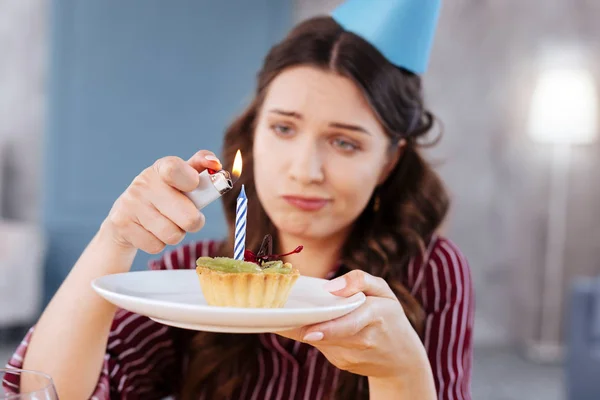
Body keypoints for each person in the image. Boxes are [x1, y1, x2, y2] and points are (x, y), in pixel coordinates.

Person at [5, 0, 474, 399]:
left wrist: (402, 372)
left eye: (345, 142)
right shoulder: (192, 277)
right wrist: (115, 237)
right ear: (253, 135)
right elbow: (42, 392)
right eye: (284, 128)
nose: (304, 170)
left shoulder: (430, 273)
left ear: (389, 163)